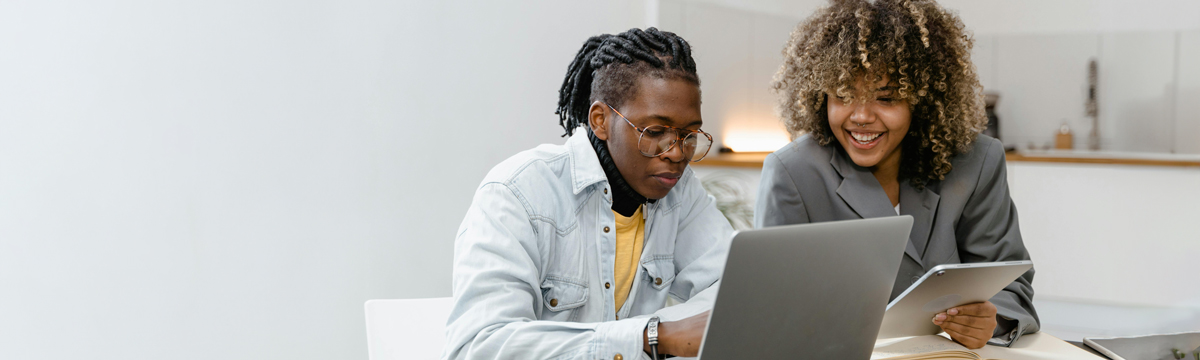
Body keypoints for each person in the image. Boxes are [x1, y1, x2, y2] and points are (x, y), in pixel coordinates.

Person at [756, 0, 1038, 349]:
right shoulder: (793, 174)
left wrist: (991, 317)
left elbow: (1013, 285)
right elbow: (771, 309)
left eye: (885, 98)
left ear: (921, 99)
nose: (861, 116)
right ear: (819, 94)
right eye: (844, 94)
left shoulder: (977, 162)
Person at [443, 28, 732, 360]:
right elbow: (480, 346)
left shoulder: (679, 191)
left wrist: (655, 336)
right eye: (655, 132)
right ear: (600, 120)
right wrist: (651, 337)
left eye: (689, 135)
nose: (677, 153)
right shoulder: (517, 193)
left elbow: (729, 291)